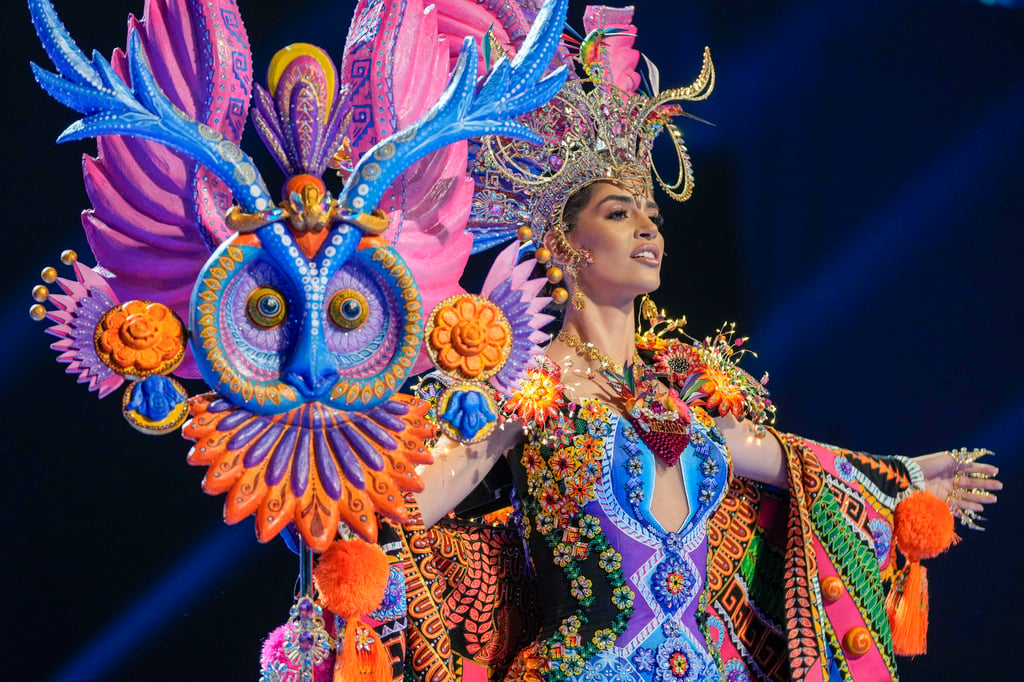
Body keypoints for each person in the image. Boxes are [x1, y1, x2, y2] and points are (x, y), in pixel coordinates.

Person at [404, 13, 1002, 682]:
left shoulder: (687, 386)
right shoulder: (526, 387)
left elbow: (797, 465)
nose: (649, 228)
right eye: (620, 213)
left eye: (653, 216)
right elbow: (408, 509)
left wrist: (905, 477)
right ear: (567, 243)